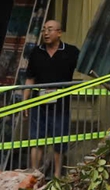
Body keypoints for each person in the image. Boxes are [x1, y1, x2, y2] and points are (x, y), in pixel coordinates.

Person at [23, 19, 79, 177]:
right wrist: (25, 102)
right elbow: (30, 78)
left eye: (50, 30)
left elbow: (88, 66)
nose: (46, 33)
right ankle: (34, 174)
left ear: (59, 33)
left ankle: (56, 176)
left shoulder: (71, 52)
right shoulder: (36, 52)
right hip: (38, 103)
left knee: (59, 142)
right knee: (36, 139)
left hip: (61, 105)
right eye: (44, 30)